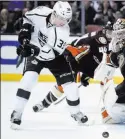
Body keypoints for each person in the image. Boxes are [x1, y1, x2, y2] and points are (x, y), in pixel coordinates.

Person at [10, 1, 88, 129]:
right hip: (34, 52)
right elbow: (27, 19)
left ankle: (76, 113)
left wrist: (33, 50)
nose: (64, 22)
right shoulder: (40, 11)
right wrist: (24, 38)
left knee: (71, 86)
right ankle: (17, 113)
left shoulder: (63, 31)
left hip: (54, 56)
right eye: (62, 18)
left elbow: (51, 54)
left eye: (67, 19)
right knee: (28, 80)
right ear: (54, 14)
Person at [32, 22, 113, 112]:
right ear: (104, 31)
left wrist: (86, 75)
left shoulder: (113, 44)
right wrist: (68, 54)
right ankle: (43, 103)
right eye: (109, 33)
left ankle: (109, 108)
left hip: (91, 65)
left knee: (107, 80)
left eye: (113, 34)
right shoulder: (90, 38)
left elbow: (105, 60)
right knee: (64, 85)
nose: (111, 36)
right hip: (75, 62)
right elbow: (68, 46)